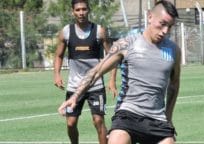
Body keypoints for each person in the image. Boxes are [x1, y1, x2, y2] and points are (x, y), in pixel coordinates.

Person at [58, 1, 181, 144]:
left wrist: (169, 118)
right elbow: (96, 71)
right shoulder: (126, 44)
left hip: (157, 120)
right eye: (162, 24)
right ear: (150, 17)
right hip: (128, 115)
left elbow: (174, 84)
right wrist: (75, 96)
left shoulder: (174, 50)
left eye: (170, 26)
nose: (165, 31)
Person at [53, 0, 117, 143]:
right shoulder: (66, 32)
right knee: (70, 123)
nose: (81, 13)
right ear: (73, 11)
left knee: (98, 121)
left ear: (88, 10)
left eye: (84, 9)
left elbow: (113, 55)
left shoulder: (99, 31)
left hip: (95, 86)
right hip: (74, 86)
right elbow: (58, 55)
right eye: (78, 10)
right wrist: (56, 74)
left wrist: (112, 80)